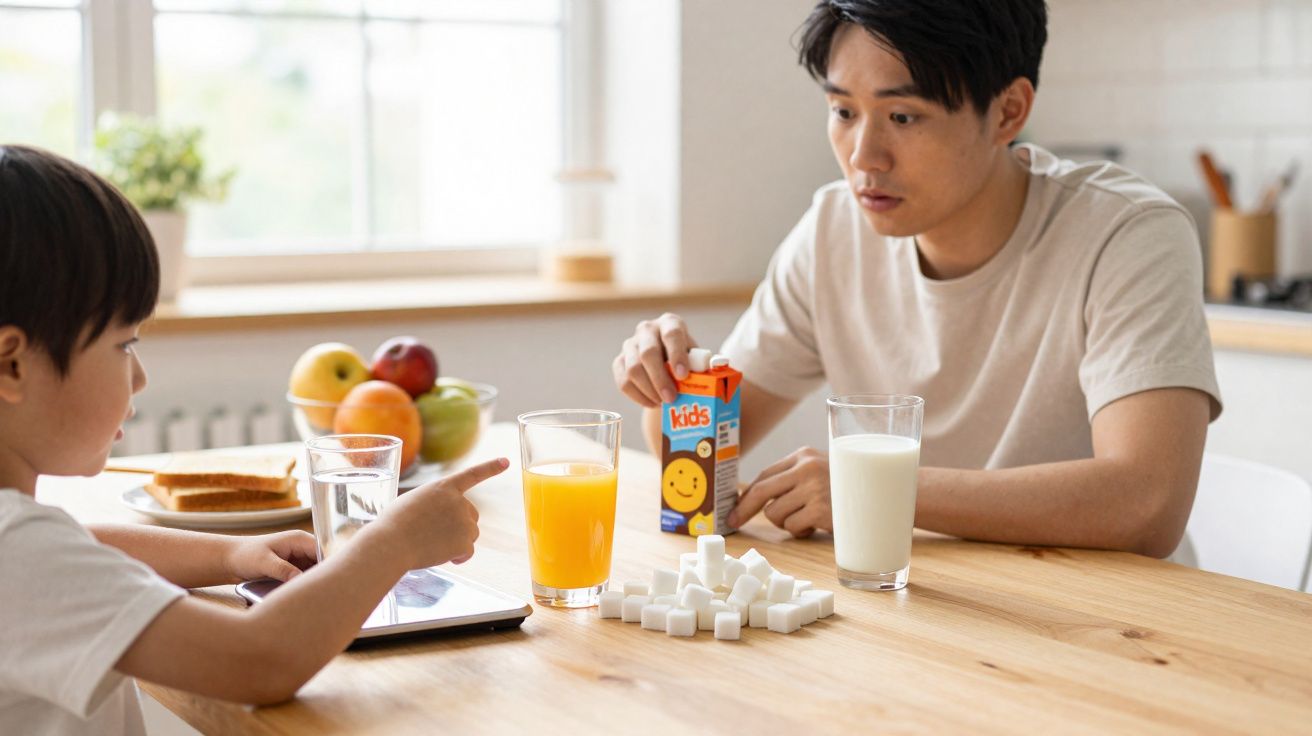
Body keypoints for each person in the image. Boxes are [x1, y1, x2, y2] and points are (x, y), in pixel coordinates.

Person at [612, 0, 1221, 558]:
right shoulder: (833, 229)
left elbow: (1146, 502)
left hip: (1108, 623)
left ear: (1008, 111)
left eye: (903, 116)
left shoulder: (1127, 232)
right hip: (913, 603)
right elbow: (692, 447)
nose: (864, 156)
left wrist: (873, 489)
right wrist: (674, 384)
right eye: (844, 111)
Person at [0, 144, 506, 734]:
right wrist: (395, 541)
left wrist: (229, 554)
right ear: (12, 365)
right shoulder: (18, 552)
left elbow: (80, 547)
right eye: (124, 345)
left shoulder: (23, 543)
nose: (140, 376)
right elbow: (257, 659)